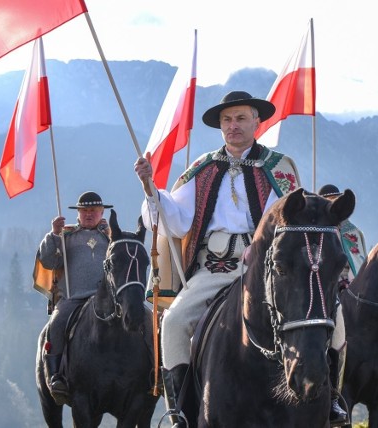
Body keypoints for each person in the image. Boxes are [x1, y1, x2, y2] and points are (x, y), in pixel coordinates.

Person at [135, 91, 347, 426]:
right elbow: (173, 219)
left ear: (256, 122)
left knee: (333, 319)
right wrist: (150, 188)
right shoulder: (202, 168)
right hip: (214, 269)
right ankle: (180, 411)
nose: (233, 126)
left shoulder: (280, 168)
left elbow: (292, 218)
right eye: (227, 120)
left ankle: (331, 400)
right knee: (174, 324)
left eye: (241, 118)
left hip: (270, 270)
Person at [34, 191, 113, 405]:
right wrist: (53, 233)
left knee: (140, 318)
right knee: (57, 324)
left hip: (108, 299)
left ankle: (152, 370)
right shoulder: (64, 236)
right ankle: (56, 376)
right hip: (73, 297)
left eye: (93, 210)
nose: (89, 214)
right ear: (78, 213)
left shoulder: (110, 236)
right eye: (85, 210)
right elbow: (48, 261)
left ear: (101, 212)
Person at [318, 184, 368, 423]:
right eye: (329, 201)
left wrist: (352, 282)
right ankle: (333, 395)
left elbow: (360, 263)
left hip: (351, 287)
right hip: (324, 288)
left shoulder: (353, 233)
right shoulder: (315, 227)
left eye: (336, 201)